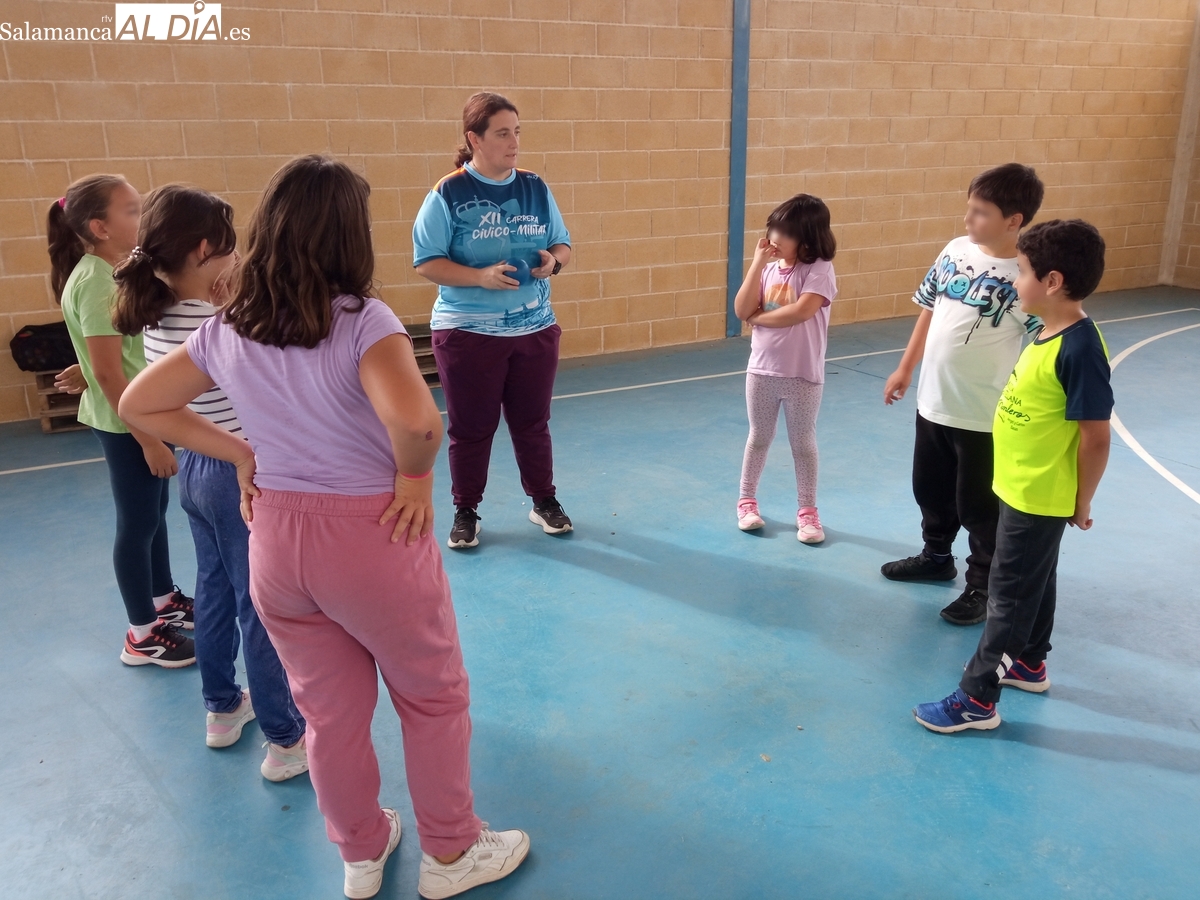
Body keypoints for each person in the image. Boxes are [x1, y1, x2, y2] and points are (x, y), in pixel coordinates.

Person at [119, 155, 529, 900]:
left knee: (328, 712)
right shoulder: (361, 321)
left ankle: (361, 853)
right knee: (432, 697)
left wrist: (240, 451)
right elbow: (417, 425)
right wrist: (412, 481)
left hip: (277, 541)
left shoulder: (230, 325)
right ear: (350, 237)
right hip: (368, 538)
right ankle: (451, 852)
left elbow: (140, 405)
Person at [111, 184, 308, 778]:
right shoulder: (219, 319)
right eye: (231, 249)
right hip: (235, 471)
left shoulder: (158, 308)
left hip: (196, 470)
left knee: (217, 588)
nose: (239, 260)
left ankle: (222, 708)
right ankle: (285, 737)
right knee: (262, 603)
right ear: (204, 250)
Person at [914, 219, 1112, 733]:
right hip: (1018, 485)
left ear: (1052, 282)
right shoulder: (1048, 332)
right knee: (1035, 579)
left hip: (1038, 495)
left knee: (1009, 596)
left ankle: (977, 699)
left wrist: (1082, 500)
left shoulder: (1080, 350)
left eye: (1021, 272)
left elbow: (1096, 437)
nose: (1013, 280)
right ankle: (1029, 662)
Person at [881, 163, 1045, 626]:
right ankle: (936, 558)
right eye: (969, 209)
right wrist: (905, 367)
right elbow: (929, 311)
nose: (968, 220)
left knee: (979, 505)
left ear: (1013, 220)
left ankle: (981, 585)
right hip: (934, 402)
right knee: (930, 489)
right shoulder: (955, 251)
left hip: (983, 417)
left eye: (980, 213)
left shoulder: (1025, 276)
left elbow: (1044, 340)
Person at [413, 91, 573, 550]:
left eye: (517, 132)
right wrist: (478, 277)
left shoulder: (535, 187)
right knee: (471, 427)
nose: (514, 142)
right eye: (502, 133)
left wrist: (552, 262)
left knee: (532, 423)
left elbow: (563, 244)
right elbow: (427, 262)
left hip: (535, 329)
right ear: (474, 139)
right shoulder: (448, 193)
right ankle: (466, 511)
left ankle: (544, 500)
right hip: (467, 334)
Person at [47, 175, 195, 668]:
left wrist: (88, 370)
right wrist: (148, 439)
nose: (141, 216)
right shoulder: (95, 281)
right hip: (126, 423)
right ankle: (142, 633)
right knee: (136, 523)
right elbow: (110, 373)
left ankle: (162, 598)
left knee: (153, 515)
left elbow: (111, 356)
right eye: (131, 210)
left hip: (140, 414)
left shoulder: (116, 269)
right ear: (99, 226)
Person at [732, 194, 838, 542]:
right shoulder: (768, 269)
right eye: (774, 228)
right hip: (762, 371)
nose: (776, 237)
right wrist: (756, 263)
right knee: (759, 437)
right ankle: (746, 501)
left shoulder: (819, 270)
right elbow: (741, 308)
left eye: (787, 232)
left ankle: (808, 511)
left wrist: (759, 318)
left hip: (802, 375)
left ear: (808, 237)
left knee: (802, 443)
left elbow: (801, 311)